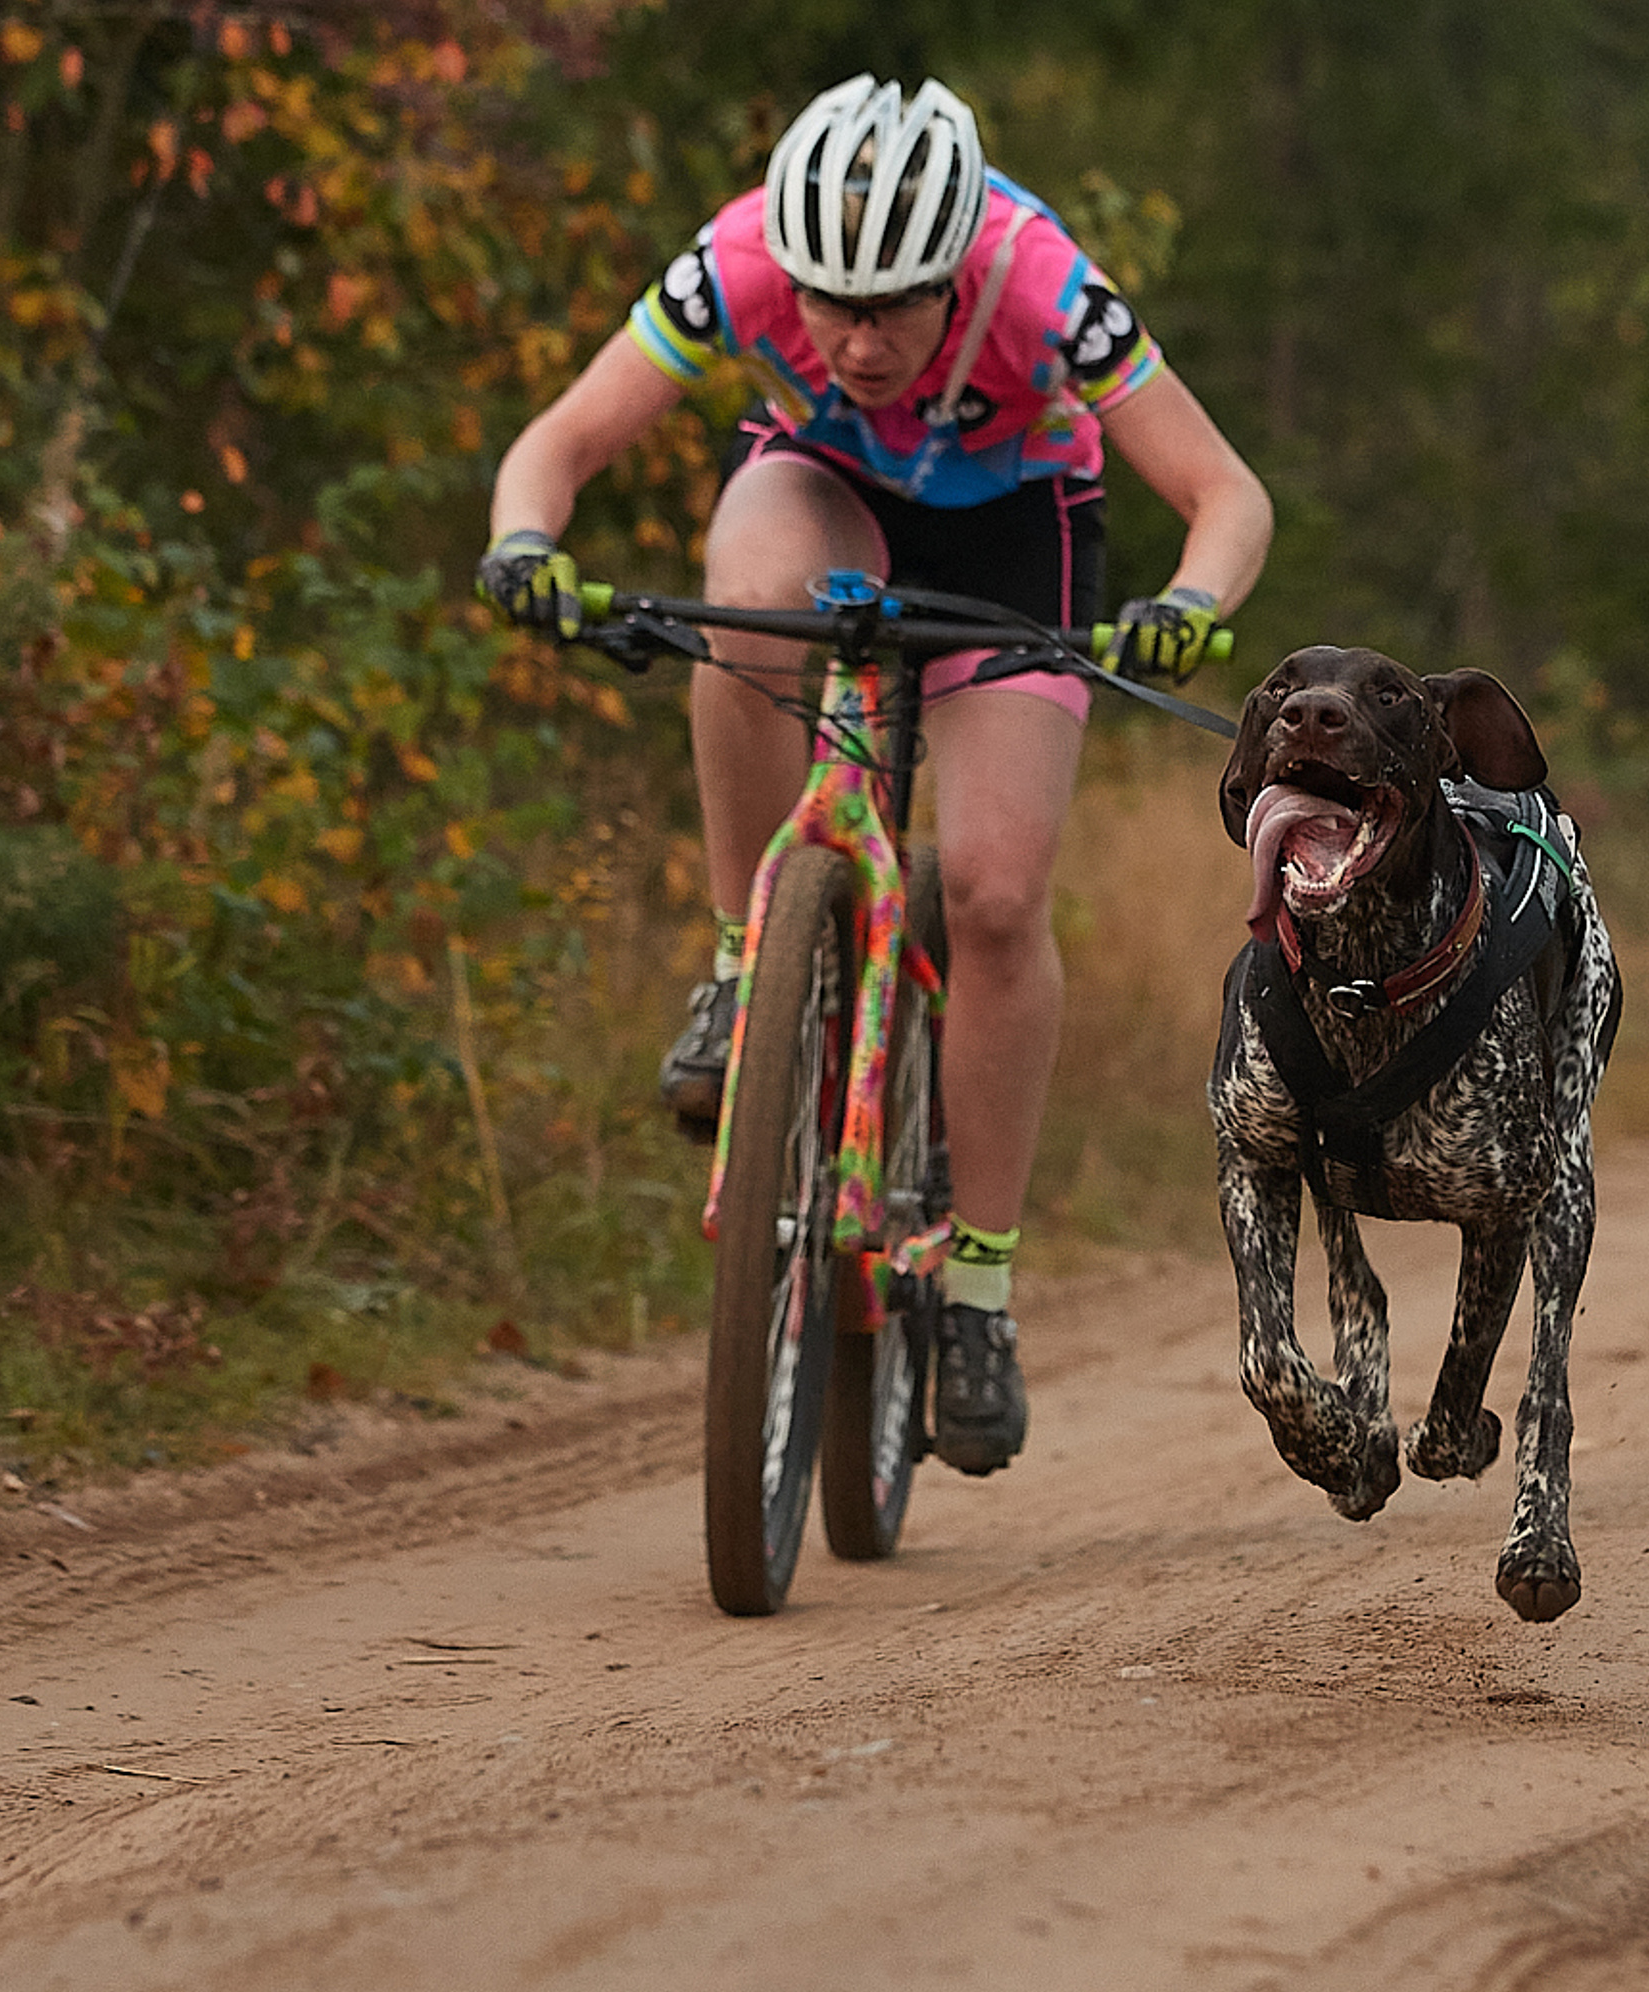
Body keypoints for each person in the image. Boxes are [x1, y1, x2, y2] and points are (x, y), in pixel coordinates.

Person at [478, 75, 1271, 1475]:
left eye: (892, 305)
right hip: (826, 492)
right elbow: (564, 441)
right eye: (826, 304)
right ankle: (746, 969)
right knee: (737, 605)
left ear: (957, 264)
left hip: (1015, 530)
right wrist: (528, 544)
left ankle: (976, 1289)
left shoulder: (1039, 278)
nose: (852, 338)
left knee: (995, 892)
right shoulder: (736, 263)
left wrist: (1192, 603)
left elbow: (1226, 495)